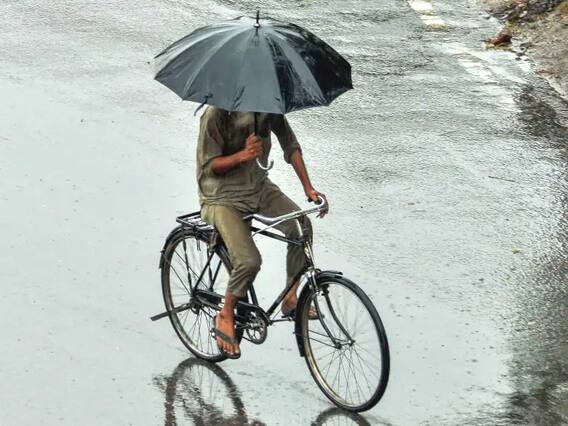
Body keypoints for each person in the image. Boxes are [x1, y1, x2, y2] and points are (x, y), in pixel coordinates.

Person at [196, 107, 328, 358]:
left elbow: (290, 145)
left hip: (258, 188)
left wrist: (308, 188)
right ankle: (226, 313)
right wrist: (243, 155)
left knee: (301, 226)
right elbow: (209, 166)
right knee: (249, 261)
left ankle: (291, 298)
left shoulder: (268, 105)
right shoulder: (216, 115)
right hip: (220, 196)